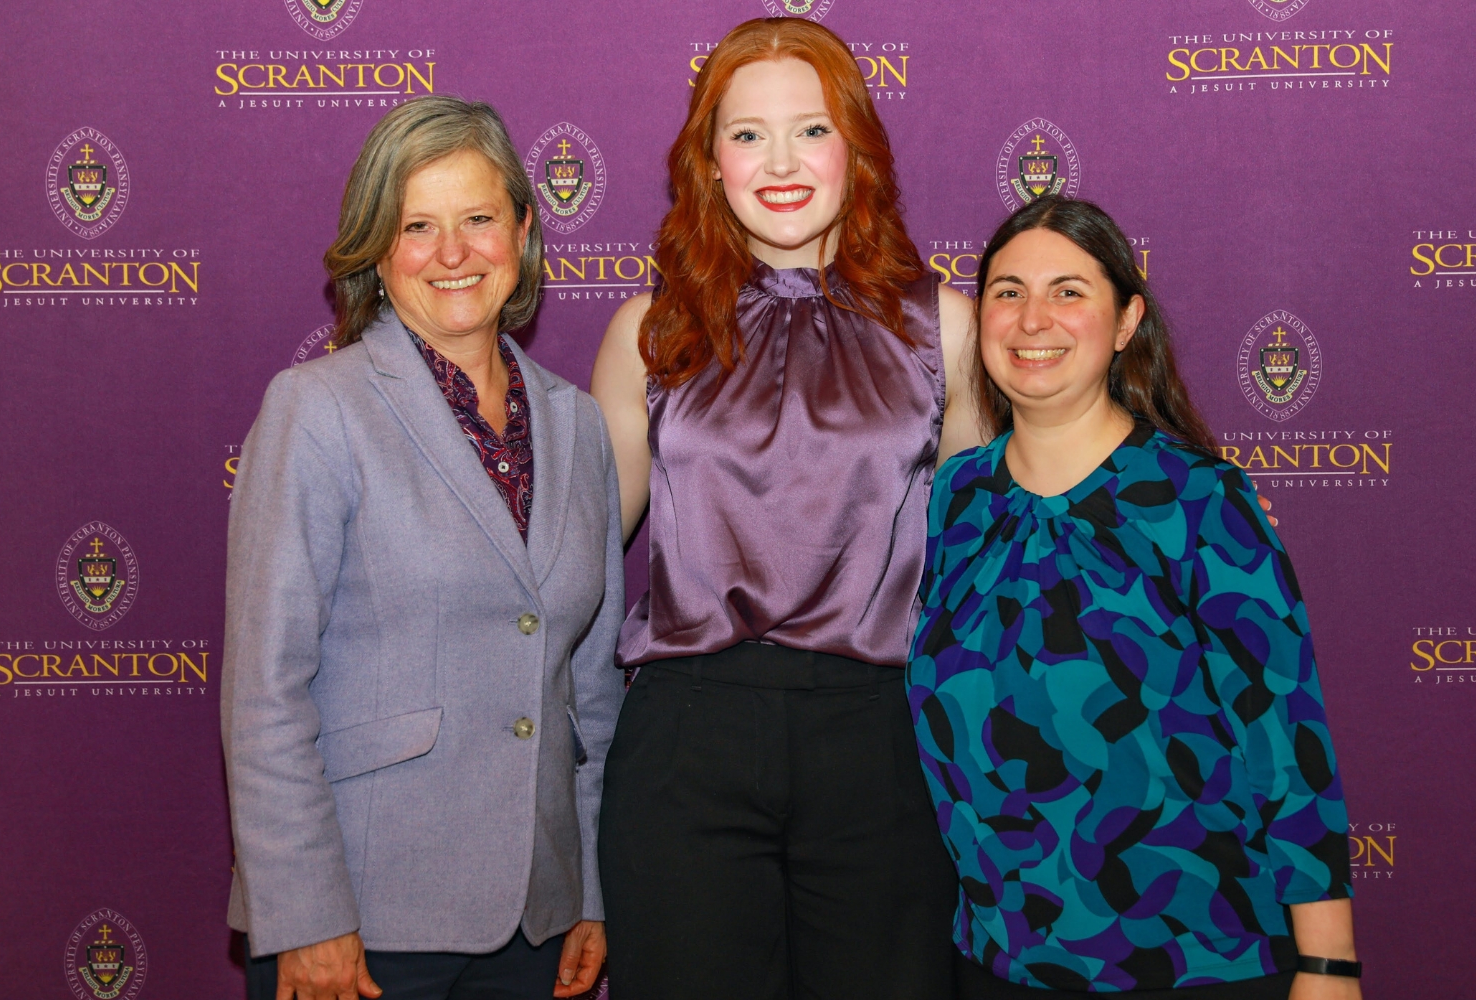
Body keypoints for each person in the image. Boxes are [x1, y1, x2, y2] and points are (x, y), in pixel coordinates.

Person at [589, 16, 982, 1000]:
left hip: (882, 735)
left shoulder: (945, 323)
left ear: (857, 150)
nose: (780, 161)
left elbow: (991, 557)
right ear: (707, 161)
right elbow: (574, 557)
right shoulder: (649, 326)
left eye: (810, 129)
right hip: (689, 738)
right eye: (747, 133)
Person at [221, 95, 625, 1000]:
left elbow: (589, 694)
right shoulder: (317, 409)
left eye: (479, 219)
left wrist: (588, 886)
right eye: (418, 226)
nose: (453, 253)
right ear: (376, 248)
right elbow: (264, 690)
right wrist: (308, 913)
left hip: (535, 917)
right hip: (364, 919)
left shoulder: (579, 425)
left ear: (521, 229)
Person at [910, 196, 1360, 1000]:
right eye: (1008, 292)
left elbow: (1286, 738)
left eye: (1069, 291)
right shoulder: (956, 498)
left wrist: (1329, 965)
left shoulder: (1199, 500)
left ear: (1126, 322)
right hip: (996, 963)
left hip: (1194, 963)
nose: (1032, 318)